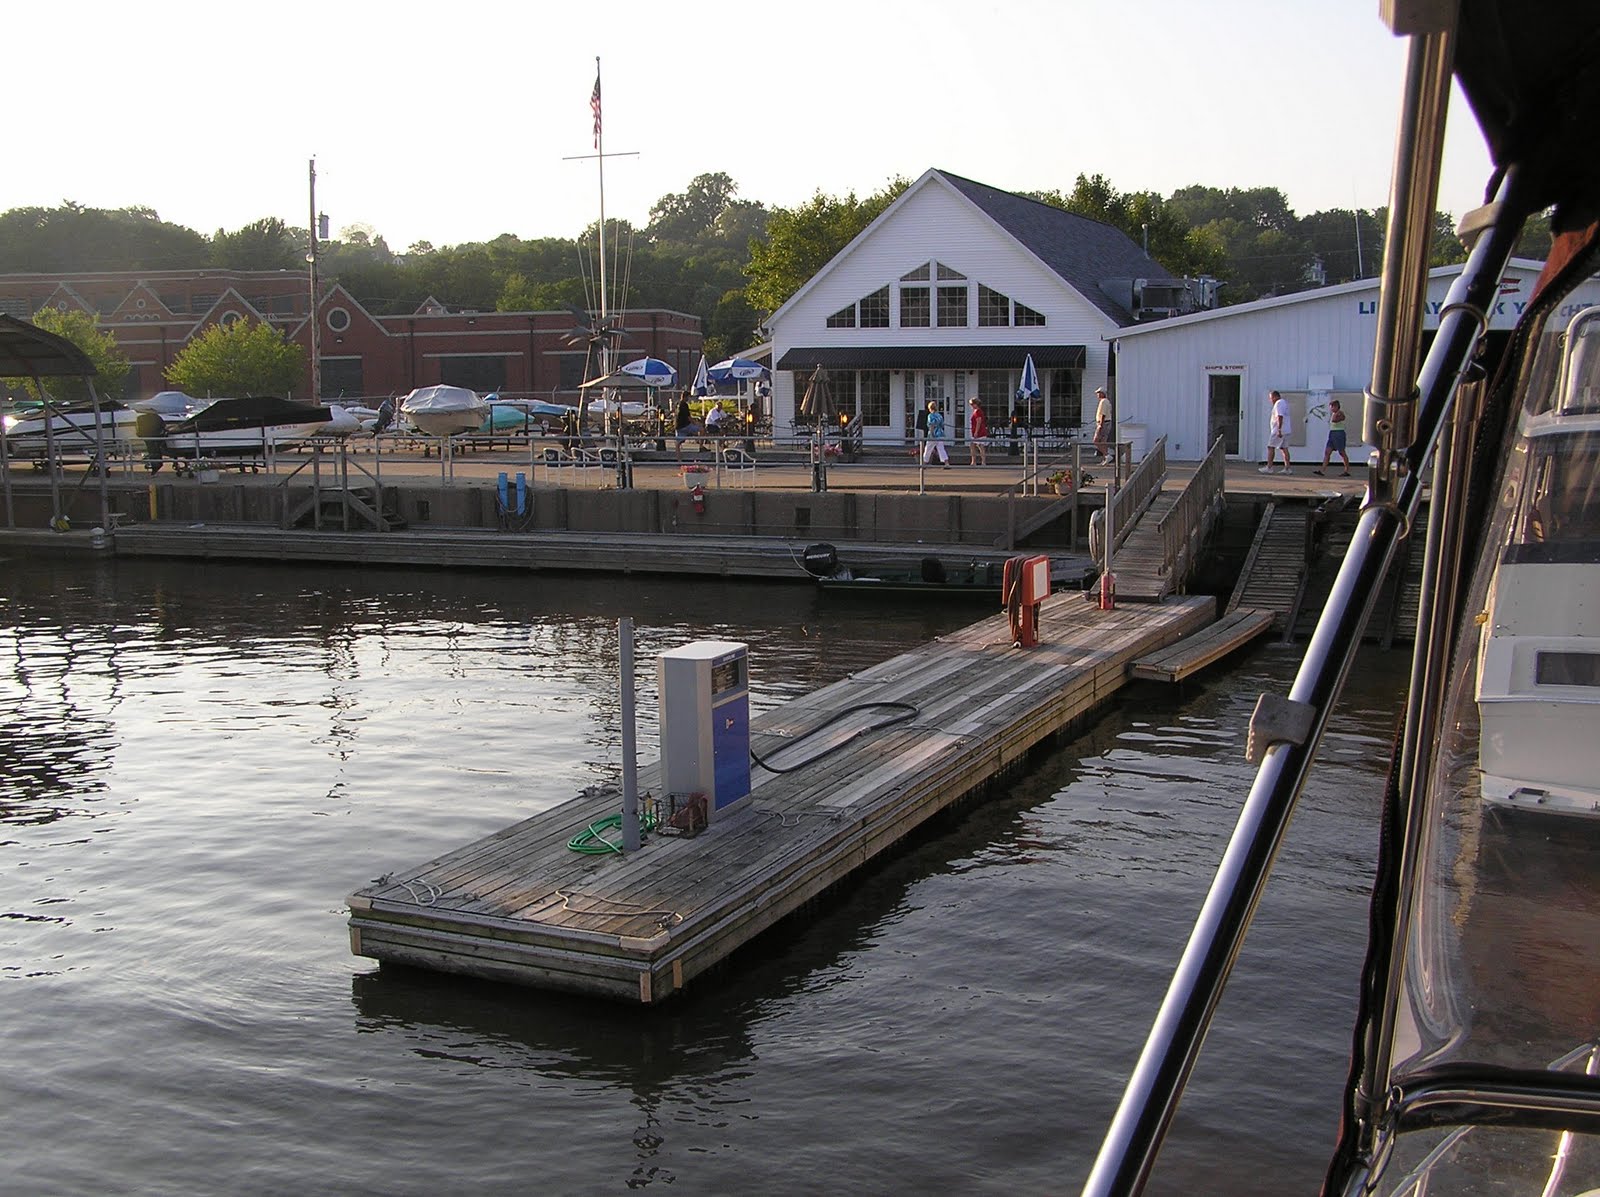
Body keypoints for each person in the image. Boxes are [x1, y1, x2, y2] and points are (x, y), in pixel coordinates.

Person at [1313, 398, 1351, 476]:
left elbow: (1336, 419)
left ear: (1336, 406)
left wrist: (1336, 415)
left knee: (1342, 452)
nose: (1331, 409)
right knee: (1327, 452)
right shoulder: (1334, 414)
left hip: (1339, 433)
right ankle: (1322, 470)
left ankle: (1347, 470)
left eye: (1332, 407)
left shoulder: (1339, 413)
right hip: (1332, 433)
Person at [1260, 389, 1292, 474]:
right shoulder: (1284, 402)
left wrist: (1279, 429)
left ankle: (1269, 467)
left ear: (1275, 396)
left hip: (1279, 430)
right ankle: (1287, 468)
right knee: (1284, 448)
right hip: (1286, 429)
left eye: (1271, 398)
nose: (1271, 400)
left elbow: (1279, 416)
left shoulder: (1279, 403)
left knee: (1271, 447)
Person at [923, 400, 949, 466]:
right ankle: (946, 463)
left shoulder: (930, 416)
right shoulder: (939, 415)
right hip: (940, 434)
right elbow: (942, 425)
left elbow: (931, 425)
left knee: (928, 449)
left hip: (933, 434)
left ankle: (924, 463)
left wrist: (931, 433)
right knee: (941, 449)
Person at [1092, 386, 1112, 463]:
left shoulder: (1103, 402)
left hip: (1103, 423)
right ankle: (1105, 459)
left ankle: (1107, 455)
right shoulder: (1107, 401)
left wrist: (1100, 425)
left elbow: (1103, 414)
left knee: (1096, 440)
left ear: (1102, 394)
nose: (1097, 394)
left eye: (1099, 393)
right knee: (1103, 441)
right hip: (1107, 423)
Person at [967, 398, 989, 465]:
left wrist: (976, 432)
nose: (971, 406)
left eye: (972, 404)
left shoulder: (978, 412)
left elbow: (978, 421)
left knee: (979, 446)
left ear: (976, 404)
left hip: (979, 432)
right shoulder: (976, 411)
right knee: (975, 445)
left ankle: (980, 462)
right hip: (977, 431)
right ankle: (975, 461)